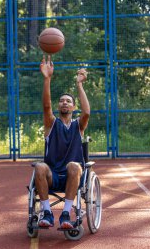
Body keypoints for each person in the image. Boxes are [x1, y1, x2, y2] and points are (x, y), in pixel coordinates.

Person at [35, 55, 90, 229]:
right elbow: (45, 106)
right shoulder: (51, 124)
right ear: (58, 106)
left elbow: (87, 113)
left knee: (74, 165)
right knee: (39, 167)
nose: (64, 102)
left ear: (73, 107)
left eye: (68, 101)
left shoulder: (78, 126)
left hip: (72, 176)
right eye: (61, 101)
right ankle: (47, 213)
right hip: (53, 174)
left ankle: (66, 214)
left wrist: (79, 85)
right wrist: (47, 78)